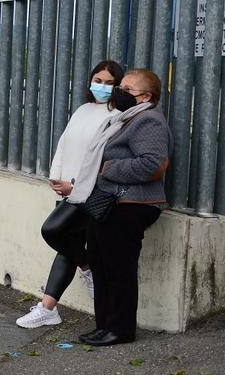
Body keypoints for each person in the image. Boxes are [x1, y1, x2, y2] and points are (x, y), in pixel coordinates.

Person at [15, 60, 124, 329]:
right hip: (66, 189)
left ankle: (88, 269)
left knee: (52, 231)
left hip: (88, 192)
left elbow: (105, 159)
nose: (102, 86)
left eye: (109, 83)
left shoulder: (117, 116)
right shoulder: (83, 110)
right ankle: (48, 308)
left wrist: (75, 186)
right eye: (98, 80)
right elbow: (65, 142)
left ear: (118, 86)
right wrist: (57, 176)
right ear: (90, 81)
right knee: (67, 245)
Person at [72, 69, 171, 347]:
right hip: (110, 202)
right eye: (122, 87)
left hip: (132, 204)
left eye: (127, 90)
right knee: (101, 263)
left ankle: (121, 329)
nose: (119, 92)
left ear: (146, 97)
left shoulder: (148, 120)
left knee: (119, 268)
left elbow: (153, 164)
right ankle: (104, 326)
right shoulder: (124, 119)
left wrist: (108, 168)